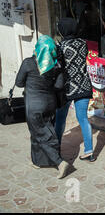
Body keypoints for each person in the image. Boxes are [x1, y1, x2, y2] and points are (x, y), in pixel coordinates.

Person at [15, 35, 70, 179]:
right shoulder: (56, 65)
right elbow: (58, 86)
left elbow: (19, 83)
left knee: (40, 134)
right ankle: (38, 161)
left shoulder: (28, 63)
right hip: (50, 104)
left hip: (34, 105)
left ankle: (59, 162)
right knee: (40, 131)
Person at [55, 17, 96, 162]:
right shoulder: (83, 43)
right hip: (83, 85)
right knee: (83, 118)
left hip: (66, 88)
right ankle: (89, 151)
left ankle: (56, 149)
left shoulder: (60, 47)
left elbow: (58, 67)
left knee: (60, 119)